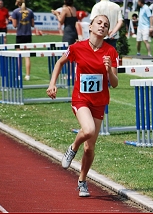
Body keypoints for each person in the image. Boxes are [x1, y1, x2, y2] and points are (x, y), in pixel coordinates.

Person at [46, 14, 119, 197]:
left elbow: (115, 83)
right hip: (81, 99)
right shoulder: (77, 48)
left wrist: (109, 69)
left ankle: (82, 181)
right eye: (99, 23)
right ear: (91, 27)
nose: (102, 26)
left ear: (108, 31)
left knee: (90, 147)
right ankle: (72, 148)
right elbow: (59, 63)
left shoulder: (111, 52)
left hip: (99, 102)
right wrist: (52, 84)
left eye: (106, 25)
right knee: (88, 130)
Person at [10, 0, 35, 81]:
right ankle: (28, 75)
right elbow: (32, 24)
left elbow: (14, 25)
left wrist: (11, 19)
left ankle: (19, 75)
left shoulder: (15, 12)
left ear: (17, 3)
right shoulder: (30, 11)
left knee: (19, 56)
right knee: (27, 56)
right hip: (28, 35)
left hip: (20, 35)